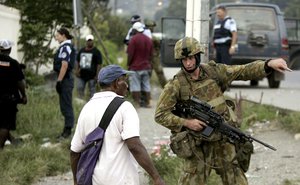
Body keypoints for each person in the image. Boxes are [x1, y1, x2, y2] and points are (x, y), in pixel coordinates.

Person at [155, 37, 291, 185]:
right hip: (197, 145)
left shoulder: (213, 72)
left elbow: (242, 71)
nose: (188, 63)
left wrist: (268, 64)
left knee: (236, 179)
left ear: (198, 56)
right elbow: (160, 115)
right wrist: (187, 123)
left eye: (191, 58)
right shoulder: (175, 85)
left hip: (222, 140)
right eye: (184, 59)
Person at [70, 64, 165, 185]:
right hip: (121, 180)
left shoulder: (87, 108)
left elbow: (74, 152)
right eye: (124, 80)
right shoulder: (125, 108)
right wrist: (156, 177)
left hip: (95, 180)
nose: (127, 85)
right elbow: (134, 146)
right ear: (116, 83)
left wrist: (76, 180)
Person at [0, 39, 27, 149]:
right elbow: (20, 82)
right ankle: (0, 148)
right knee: (5, 124)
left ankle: (12, 140)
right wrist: (24, 95)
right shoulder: (13, 63)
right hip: (8, 99)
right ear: (10, 49)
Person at [53, 27, 76, 139]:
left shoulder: (66, 47)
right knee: (64, 105)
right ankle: (67, 130)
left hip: (65, 79)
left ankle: (67, 131)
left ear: (63, 35)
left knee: (66, 105)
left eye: (57, 36)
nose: (56, 38)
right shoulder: (65, 46)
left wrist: (59, 81)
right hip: (65, 78)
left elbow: (64, 65)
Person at [127, 22, 153, 108]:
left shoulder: (133, 40)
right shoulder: (149, 40)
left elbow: (130, 54)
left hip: (135, 67)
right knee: (146, 85)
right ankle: (148, 102)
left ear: (135, 30)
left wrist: (128, 64)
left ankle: (137, 103)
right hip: (146, 66)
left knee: (135, 85)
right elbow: (151, 54)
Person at [75, 34, 102, 99]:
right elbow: (77, 61)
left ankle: (91, 103)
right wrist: (76, 71)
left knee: (92, 91)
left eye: (91, 40)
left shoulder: (96, 52)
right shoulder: (82, 51)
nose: (89, 42)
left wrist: (97, 75)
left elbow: (99, 64)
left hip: (92, 76)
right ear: (86, 41)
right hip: (81, 75)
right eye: (88, 40)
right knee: (80, 89)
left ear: (93, 41)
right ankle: (80, 103)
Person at [145, 20, 168, 88]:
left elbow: (158, 45)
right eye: (150, 27)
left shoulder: (151, 37)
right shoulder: (149, 37)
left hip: (153, 57)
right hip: (149, 57)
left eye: (152, 27)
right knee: (148, 74)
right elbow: (158, 44)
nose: (151, 28)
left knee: (159, 72)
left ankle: (165, 88)